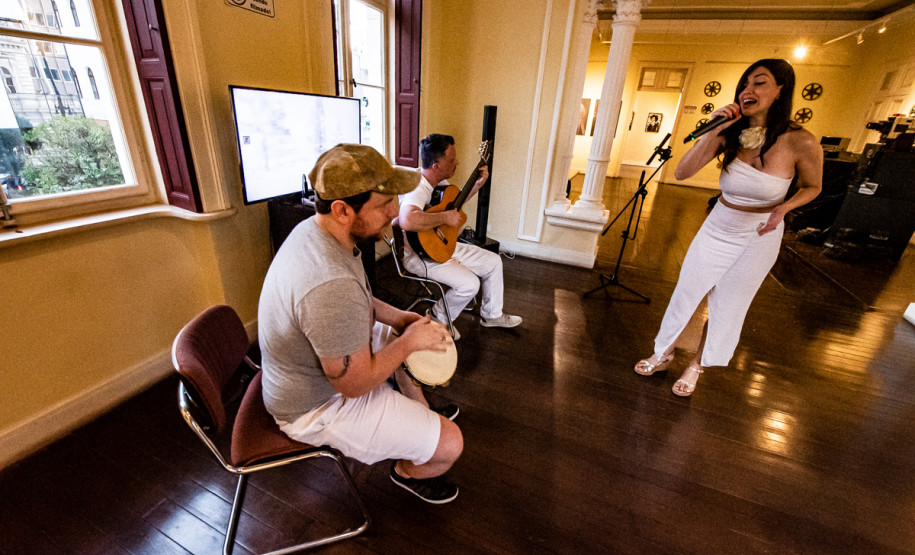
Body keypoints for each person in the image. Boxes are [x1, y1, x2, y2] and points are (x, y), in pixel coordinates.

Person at [258, 144, 463, 503]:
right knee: (450, 445)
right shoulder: (330, 285)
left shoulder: (319, 231)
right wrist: (409, 343)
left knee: (400, 333)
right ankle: (405, 471)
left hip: (308, 375)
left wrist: (401, 320)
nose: (395, 212)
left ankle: (420, 417)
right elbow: (354, 385)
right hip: (315, 407)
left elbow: (358, 300)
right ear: (342, 210)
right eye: (384, 204)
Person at [634, 59, 823, 396]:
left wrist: (785, 207)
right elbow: (682, 173)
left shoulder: (801, 141)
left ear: (781, 90)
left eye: (759, 82)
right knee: (687, 291)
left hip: (760, 235)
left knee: (730, 302)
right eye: (744, 84)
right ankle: (663, 353)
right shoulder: (730, 133)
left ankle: (697, 364)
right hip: (719, 225)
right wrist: (714, 129)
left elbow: (813, 186)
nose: (748, 90)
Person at [398, 133, 522, 340]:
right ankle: (437, 317)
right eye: (452, 159)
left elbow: (453, 205)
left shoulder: (438, 182)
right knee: (470, 284)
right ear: (436, 166)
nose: (457, 162)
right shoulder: (417, 187)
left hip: (441, 244)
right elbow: (407, 220)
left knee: (493, 261)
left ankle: (491, 315)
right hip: (421, 256)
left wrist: (476, 185)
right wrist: (444, 218)